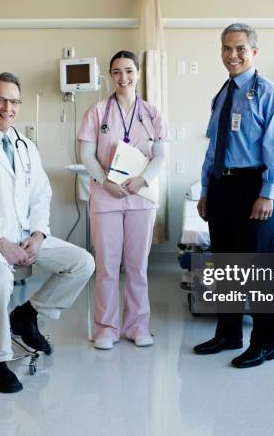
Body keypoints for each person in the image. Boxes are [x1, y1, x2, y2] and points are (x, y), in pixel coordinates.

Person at [0, 72, 95, 393]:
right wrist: (0, 242)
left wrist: (39, 233)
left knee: (82, 263)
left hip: (23, 234)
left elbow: (41, 194)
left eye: (14, 101)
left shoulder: (25, 146)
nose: (7, 108)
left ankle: (27, 315)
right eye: (0, 100)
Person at [193, 23, 274, 368]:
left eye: (239, 49)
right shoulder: (222, 94)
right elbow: (212, 148)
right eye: (226, 48)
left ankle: (265, 344)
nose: (231, 55)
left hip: (253, 187)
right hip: (222, 186)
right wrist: (206, 189)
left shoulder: (269, 94)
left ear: (253, 52)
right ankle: (229, 333)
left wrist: (267, 194)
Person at [77, 50, 169, 350]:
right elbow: (87, 155)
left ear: (138, 73)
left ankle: (138, 325)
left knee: (137, 265)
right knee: (106, 265)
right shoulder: (98, 112)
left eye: (129, 71)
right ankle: (106, 328)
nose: (123, 77)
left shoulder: (152, 113)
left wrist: (143, 179)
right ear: (110, 75)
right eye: (116, 72)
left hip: (141, 196)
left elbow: (161, 156)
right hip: (106, 196)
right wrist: (105, 181)